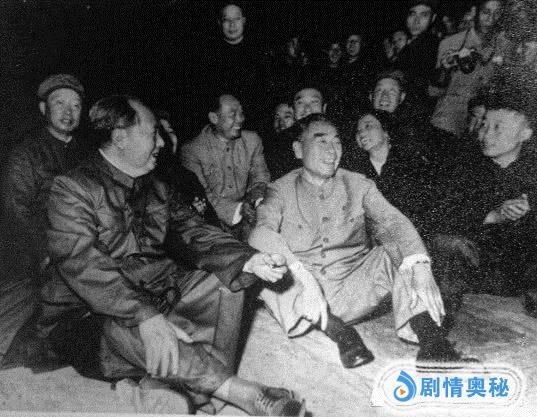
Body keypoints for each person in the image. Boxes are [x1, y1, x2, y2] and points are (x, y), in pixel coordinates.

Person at [38, 94, 307, 416]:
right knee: (128, 329)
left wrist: (249, 258)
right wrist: (147, 316)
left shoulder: (158, 185)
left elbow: (194, 231)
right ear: (120, 137)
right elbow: (83, 265)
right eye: (153, 133)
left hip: (154, 293)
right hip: (87, 314)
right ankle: (240, 393)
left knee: (231, 277)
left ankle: (178, 386)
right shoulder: (71, 187)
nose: (162, 143)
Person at [249, 113, 473, 367]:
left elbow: (393, 221)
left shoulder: (358, 184)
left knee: (400, 253)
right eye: (321, 141)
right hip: (302, 294)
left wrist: (419, 264)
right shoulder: (279, 189)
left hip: (354, 288)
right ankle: (341, 333)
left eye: (337, 142)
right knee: (267, 266)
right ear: (298, 149)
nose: (332, 150)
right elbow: (261, 232)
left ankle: (432, 342)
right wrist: (302, 275)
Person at [423, 87, 537, 319]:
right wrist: (494, 215)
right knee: (447, 244)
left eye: (498, 128)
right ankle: (436, 326)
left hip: (519, 271)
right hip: (477, 267)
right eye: (484, 125)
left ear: (525, 134)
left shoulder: (531, 171)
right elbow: (437, 216)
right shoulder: (465, 165)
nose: (485, 134)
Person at [0, 74, 89, 367]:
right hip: (41, 252)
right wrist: (44, 253)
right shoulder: (25, 155)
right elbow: (17, 214)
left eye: (75, 105)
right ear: (43, 109)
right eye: (59, 103)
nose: (68, 112)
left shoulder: (87, 154)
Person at [181, 94, 270, 241]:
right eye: (233, 115)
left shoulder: (252, 140)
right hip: (212, 223)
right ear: (214, 118)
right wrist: (239, 210)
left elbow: (261, 176)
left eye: (241, 113)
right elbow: (204, 196)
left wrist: (255, 198)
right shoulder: (192, 151)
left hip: (251, 214)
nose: (240, 119)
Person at [342, 110, 432, 231]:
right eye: (358, 131)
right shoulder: (356, 171)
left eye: (368, 126)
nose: (361, 133)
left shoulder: (412, 164)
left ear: (386, 132)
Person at [431, 0, 509, 137]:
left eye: (497, 14)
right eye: (486, 12)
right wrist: (445, 70)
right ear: (474, 12)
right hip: (449, 122)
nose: (491, 19)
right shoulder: (450, 43)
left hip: (481, 126)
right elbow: (434, 92)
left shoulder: (504, 46)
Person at [153, 110, 220, 227]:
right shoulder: (145, 178)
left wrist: (200, 212)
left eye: (170, 132)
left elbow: (212, 219)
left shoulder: (188, 176)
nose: (167, 139)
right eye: (161, 133)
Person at [263, 86, 326, 180]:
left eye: (314, 102)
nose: (307, 109)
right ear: (294, 110)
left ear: (324, 108)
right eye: (300, 103)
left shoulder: (341, 138)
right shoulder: (279, 146)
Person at [394, 0, 440, 100]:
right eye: (412, 14)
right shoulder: (401, 41)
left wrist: (403, 51)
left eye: (424, 15)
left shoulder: (432, 46)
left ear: (433, 18)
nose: (416, 21)